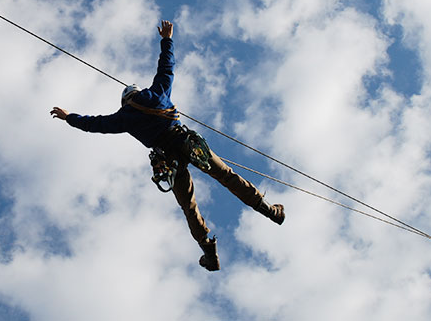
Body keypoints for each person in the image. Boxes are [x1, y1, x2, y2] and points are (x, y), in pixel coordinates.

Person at [50, 20, 284, 271]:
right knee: (226, 175)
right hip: (189, 144)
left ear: (124, 101)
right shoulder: (158, 93)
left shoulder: (124, 118)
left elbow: (94, 124)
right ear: (137, 92)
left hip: (169, 161)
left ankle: (209, 251)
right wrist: (167, 39)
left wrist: (69, 117)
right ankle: (270, 211)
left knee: (188, 205)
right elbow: (166, 66)